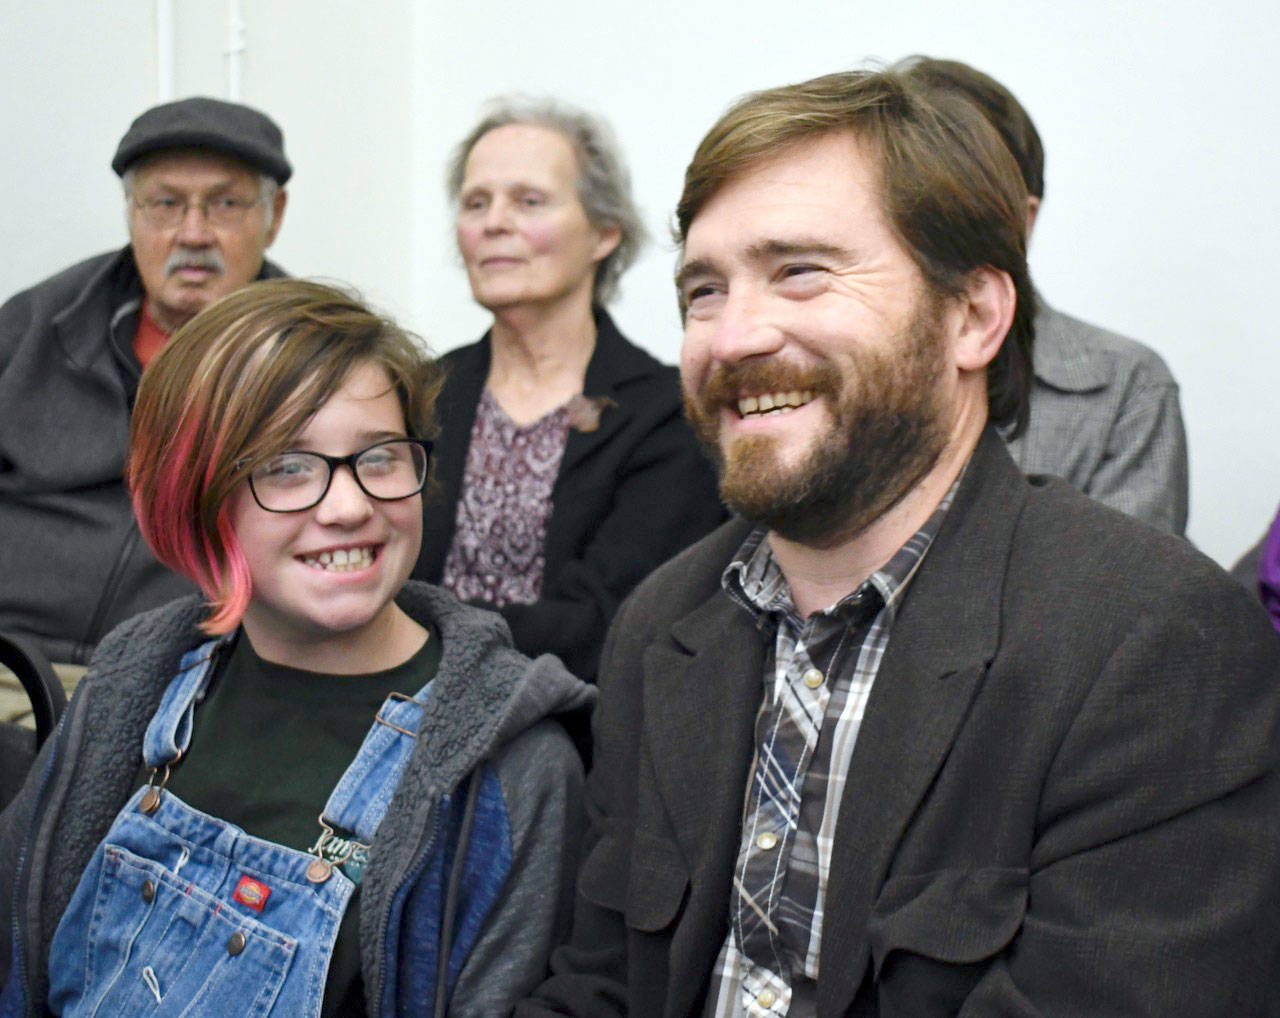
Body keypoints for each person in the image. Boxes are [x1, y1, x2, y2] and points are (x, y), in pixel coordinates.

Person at [518, 68, 1280, 1017]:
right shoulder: (663, 624)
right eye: (703, 290)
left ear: (973, 317)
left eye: (800, 270)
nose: (733, 335)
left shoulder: (1153, 643)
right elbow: (597, 985)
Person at [0, 280, 593, 1017]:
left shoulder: (509, 773)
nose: (348, 507)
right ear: (197, 494)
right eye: (287, 467)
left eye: (379, 457)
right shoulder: (136, 681)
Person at [413, 98, 724, 681]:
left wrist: (408, 634)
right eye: (475, 202)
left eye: (528, 201)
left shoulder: (667, 415)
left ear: (605, 232)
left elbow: (611, 623)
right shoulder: (418, 395)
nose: (493, 222)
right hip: (393, 721)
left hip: (574, 738)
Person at [0, 96, 291, 667]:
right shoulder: (33, 326)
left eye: (225, 204)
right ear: (131, 211)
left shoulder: (309, 364)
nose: (193, 232)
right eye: (165, 203)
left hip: (176, 679)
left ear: (274, 216)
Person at [899, 56, 1189, 535]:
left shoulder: (1124, 386)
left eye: (948, 200)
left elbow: (1120, 594)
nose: (918, 227)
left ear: (1021, 219)